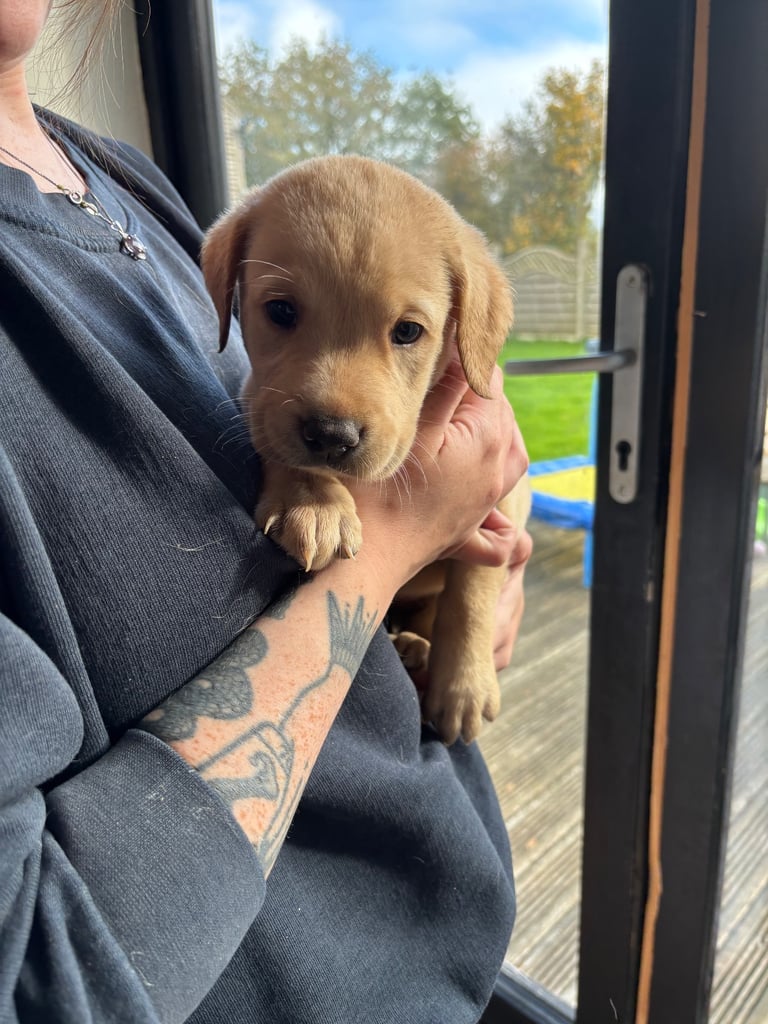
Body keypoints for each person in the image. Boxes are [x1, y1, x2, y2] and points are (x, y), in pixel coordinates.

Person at [0, 2, 532, 1021]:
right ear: (238, 283)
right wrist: (381, 558)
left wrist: (473, 580)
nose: (335, 393)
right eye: (278, 315)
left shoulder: (122, 185)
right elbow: (40, 972)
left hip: (450, 952)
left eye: (406, 333)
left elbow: (491, 495)